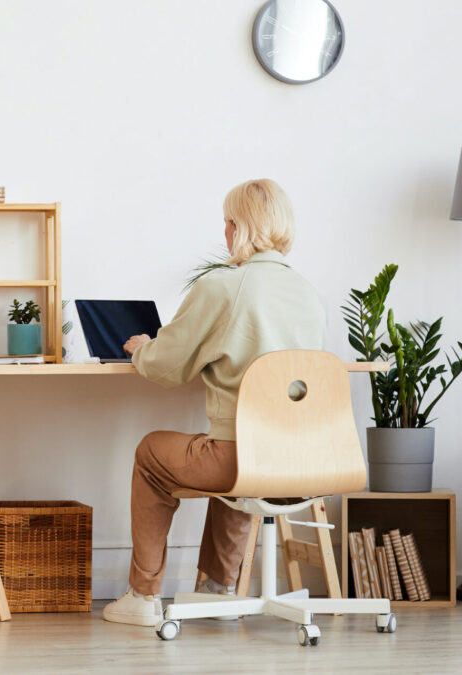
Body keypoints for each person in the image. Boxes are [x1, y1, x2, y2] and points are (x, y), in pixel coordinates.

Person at [102, 179, 326, 627]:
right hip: (307, 460)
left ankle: (143, 596)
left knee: (154, 453)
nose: (224, 231)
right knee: (240, 448)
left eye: (227, 222)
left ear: (238, 227)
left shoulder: (226, 286)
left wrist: (145, 346)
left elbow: (167, 368)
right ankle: (218, 589)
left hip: (242, 461)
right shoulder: (307, 292)